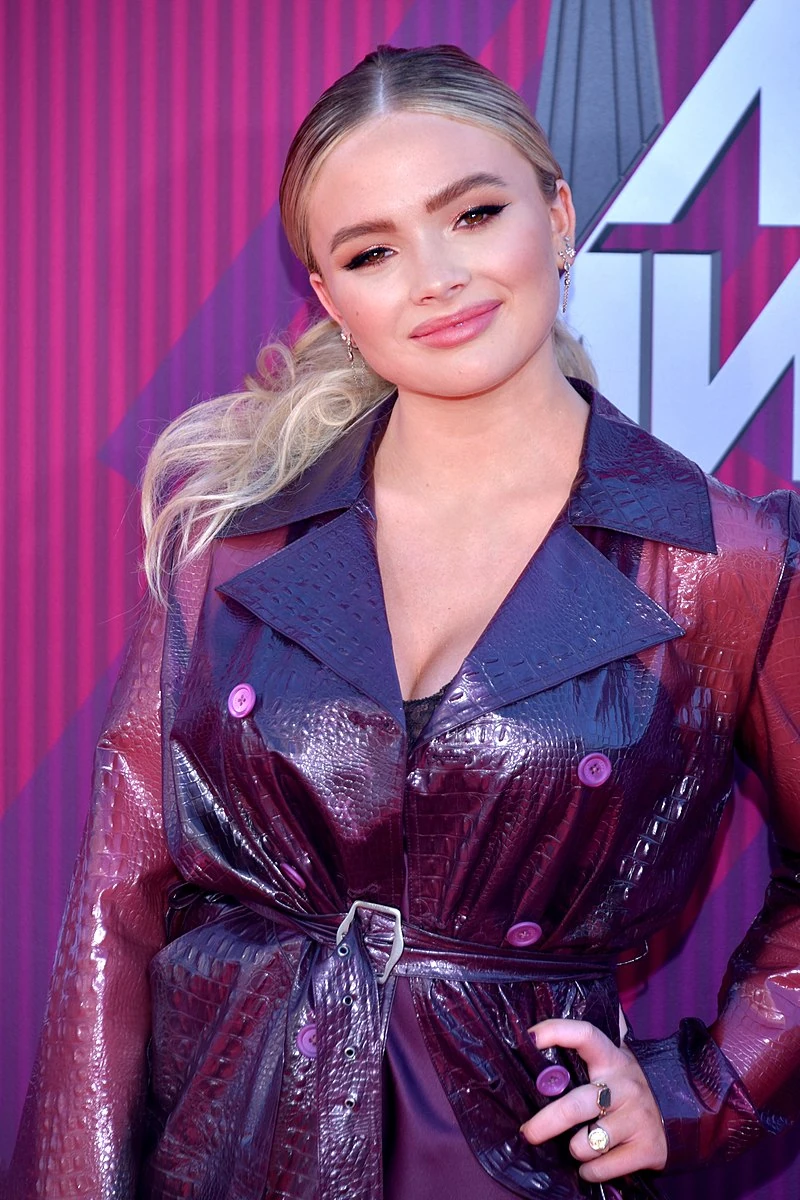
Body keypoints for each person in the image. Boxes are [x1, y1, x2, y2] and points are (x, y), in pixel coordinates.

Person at [7, 43, 800, 1200]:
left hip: (506, 1164)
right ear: (330, 299)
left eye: (472, 214)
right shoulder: (230, 547)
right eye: (371, 250)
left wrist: (702, 1090)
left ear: (556, 216)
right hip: (225, 1151)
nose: (434, 278)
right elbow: (115, 910)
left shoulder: (714, 562)